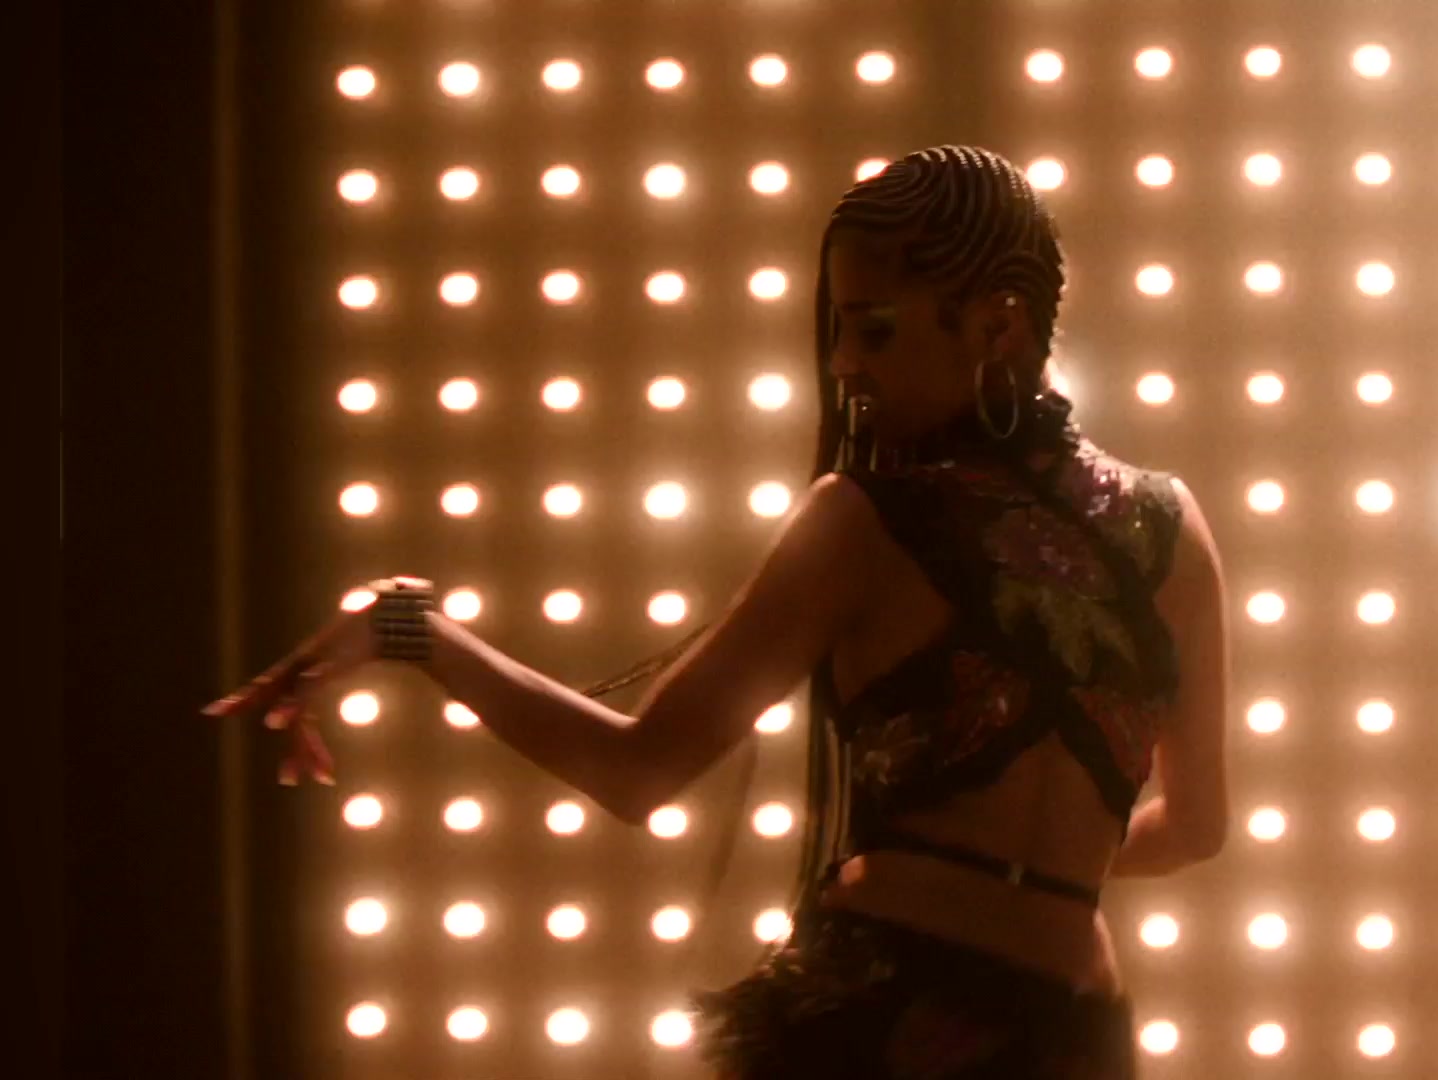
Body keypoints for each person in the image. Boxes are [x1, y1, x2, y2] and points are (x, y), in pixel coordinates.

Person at [204, 145, 1230, 1079]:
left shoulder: (866, 519)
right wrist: (1042, 867)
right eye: (840, 330)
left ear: (999, 326)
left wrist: (414, 631)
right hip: (1077, 1036)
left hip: (892, 1014)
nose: (844, 364)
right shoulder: (1174, 526)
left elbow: (638, 771)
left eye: (874, 329)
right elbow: (1195, 828)